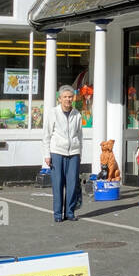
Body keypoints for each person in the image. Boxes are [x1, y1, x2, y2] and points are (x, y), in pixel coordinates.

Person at [41, 85, 83, 223]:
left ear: (73, 98)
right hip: (57, 152)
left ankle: (70, 212)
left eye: (70, 97)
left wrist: (79, 153)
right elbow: (46, 135)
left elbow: (79, 135)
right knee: (58, 183)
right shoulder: (53, 113)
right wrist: (47, 155)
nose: (68, 99)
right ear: (59, 99)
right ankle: (58, 214)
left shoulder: (77, 114)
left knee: (72, 183)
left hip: (73, 153)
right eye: (65, 97)